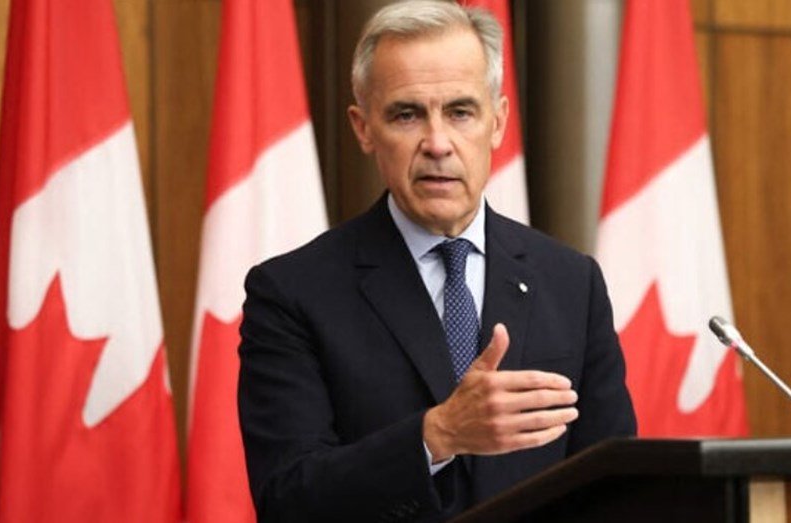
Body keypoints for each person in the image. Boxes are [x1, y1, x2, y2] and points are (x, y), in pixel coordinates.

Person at [237, 1, 636, 521]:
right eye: (407, 115)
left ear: (498, 121)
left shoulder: (571, 282)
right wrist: (437, 435)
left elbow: (617, 487)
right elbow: (287, 497)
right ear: (363, 128)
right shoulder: (292, 292)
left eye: (460, 112)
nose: (438, 143)